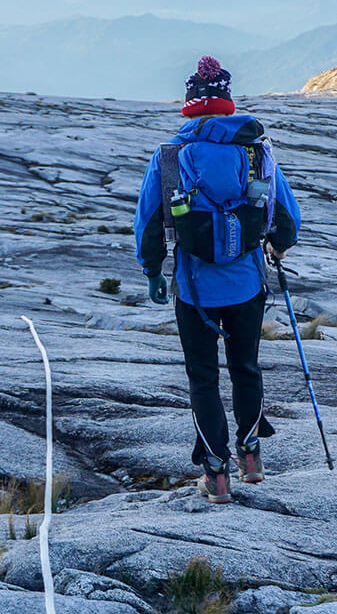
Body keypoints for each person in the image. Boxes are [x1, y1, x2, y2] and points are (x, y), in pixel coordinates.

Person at [133, 56, 301, 503]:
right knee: (246, 368)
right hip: (247, 284)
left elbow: (149, 222)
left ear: (189, 105)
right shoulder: (255, 151)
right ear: (227, 103)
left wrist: (153, 272)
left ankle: (215, 473)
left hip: (194, 289)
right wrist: (276, 248)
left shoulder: (170, 156)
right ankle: (251, 455)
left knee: (203, 378)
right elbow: (288, 220)